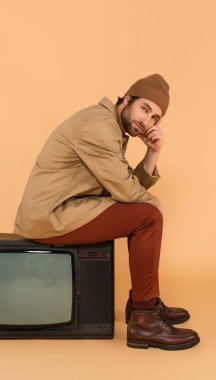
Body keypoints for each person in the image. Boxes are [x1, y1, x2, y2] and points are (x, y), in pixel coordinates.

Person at [14, 74, 200, 350]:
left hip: (68, 208)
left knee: (145, 211)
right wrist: (153, 203)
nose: (146, 121)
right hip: (51, 216)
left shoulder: (110, 126)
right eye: (144, 109)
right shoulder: (99, 127)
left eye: (155, 118)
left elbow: (125, 185)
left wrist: (152, 153)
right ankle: (144, 319)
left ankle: (145, 304)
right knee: (149, 217)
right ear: (127, 99)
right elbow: (127, 192)